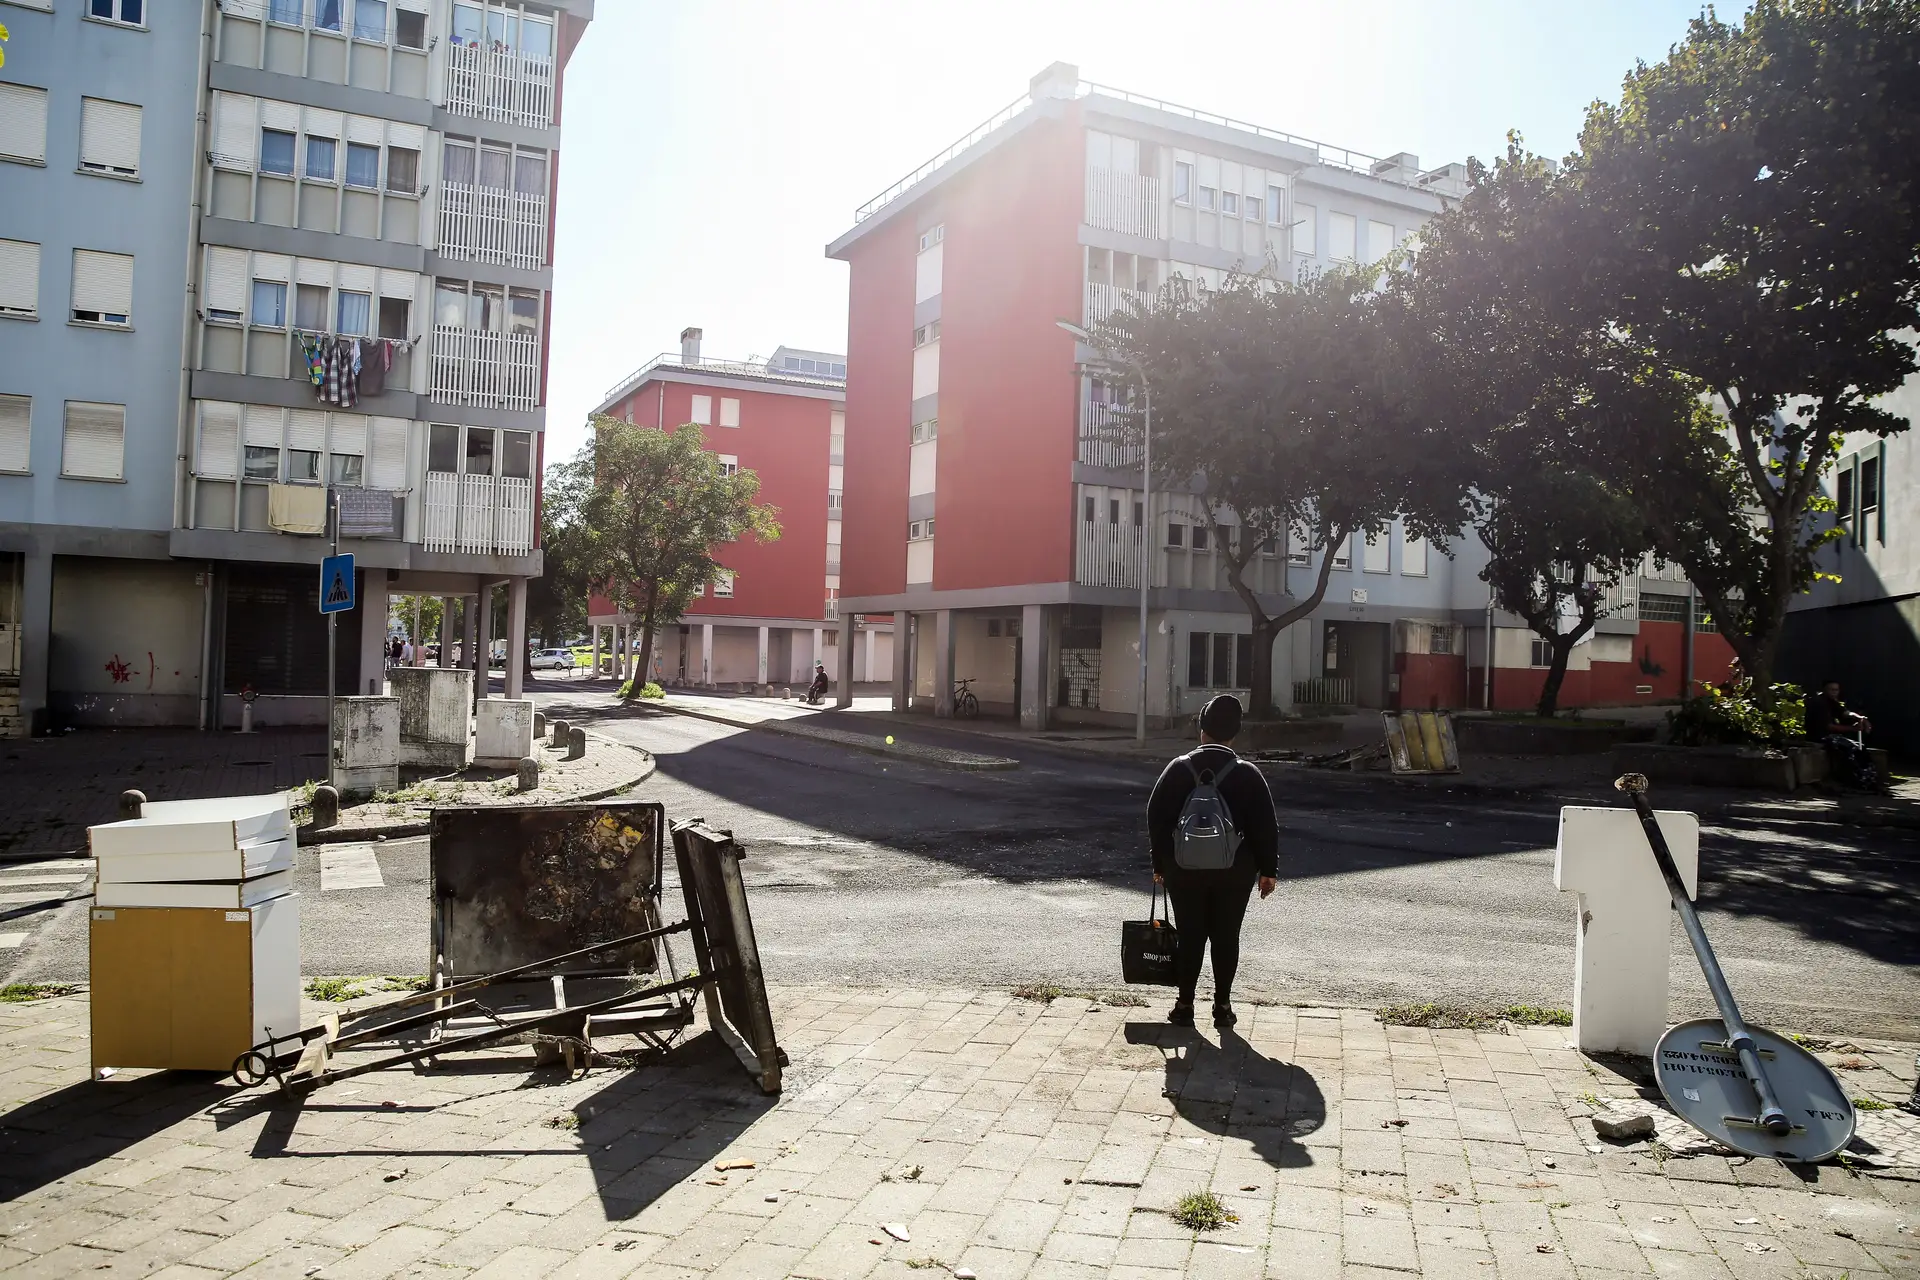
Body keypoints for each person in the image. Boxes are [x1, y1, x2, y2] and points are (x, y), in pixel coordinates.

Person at [1146, 694, 1280, 1028]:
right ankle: (1222, 1007)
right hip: (1235, 871)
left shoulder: (1178, 768)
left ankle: (1184, 1005)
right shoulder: (1248, 774)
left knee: (1190, 934)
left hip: (1183, 869)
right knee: (1226, 935)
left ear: (1202, 730)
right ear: (1235, 733)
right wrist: (1268, 870)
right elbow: (1266, 824)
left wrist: (1160, 864)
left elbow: (1156, 815)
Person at [1806, 680, 1883, 790]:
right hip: (1819, 736)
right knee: (1849, 748)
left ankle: (1868, 779)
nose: (1834, 692)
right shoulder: (1818, 703)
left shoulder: (1831, 702)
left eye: (1836, 690)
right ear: (1824, 690)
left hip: (1831, 735)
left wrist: (1859, 718)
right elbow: (1828, 726)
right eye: (1831, 690)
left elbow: (1845, 713)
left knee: (1860, 748)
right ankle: (1854, 780)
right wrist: (1853, 728)